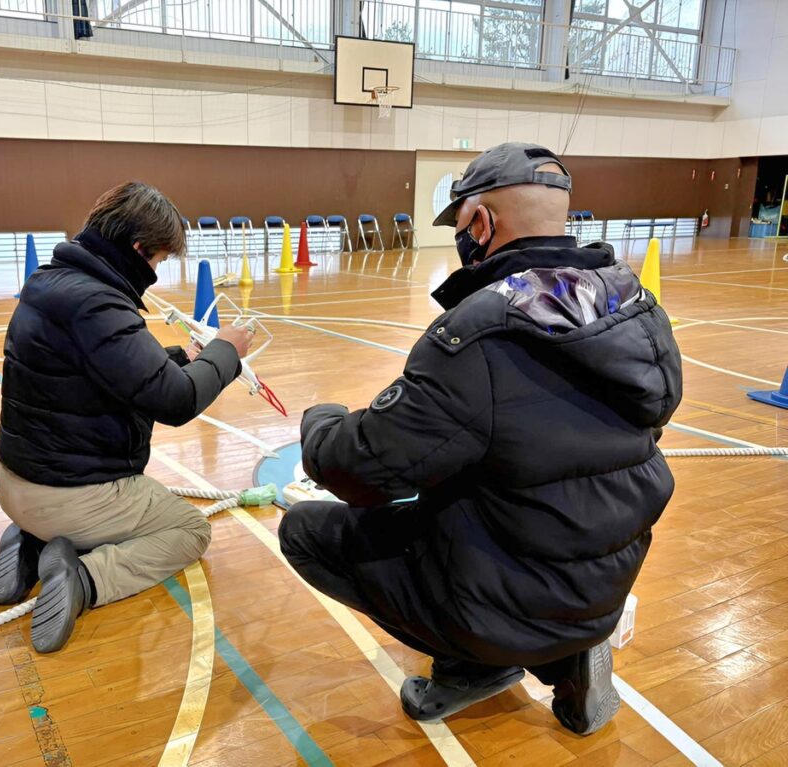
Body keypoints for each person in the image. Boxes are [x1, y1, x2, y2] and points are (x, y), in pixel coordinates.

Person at [278, 143, 682, 735]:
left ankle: (477, 663)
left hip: (508, 592)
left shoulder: (480, 332)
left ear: (481, 222)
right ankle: (570, 645)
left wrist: (322, 421)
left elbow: (362, 471)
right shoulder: (636, 303)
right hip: (605, 577)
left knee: (308, 532)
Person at [0, 182, 254, 653]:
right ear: (136, 249)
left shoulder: (48, 284)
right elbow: (175, 403)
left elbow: (105, 368)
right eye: (158, 260)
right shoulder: (100, 304)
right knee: (191, 530)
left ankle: (33, 541)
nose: (156, 272)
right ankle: (85, 579)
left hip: (14, 482)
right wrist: (226, 352)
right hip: (69, 495)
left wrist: (180, 357)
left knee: (90, 502)